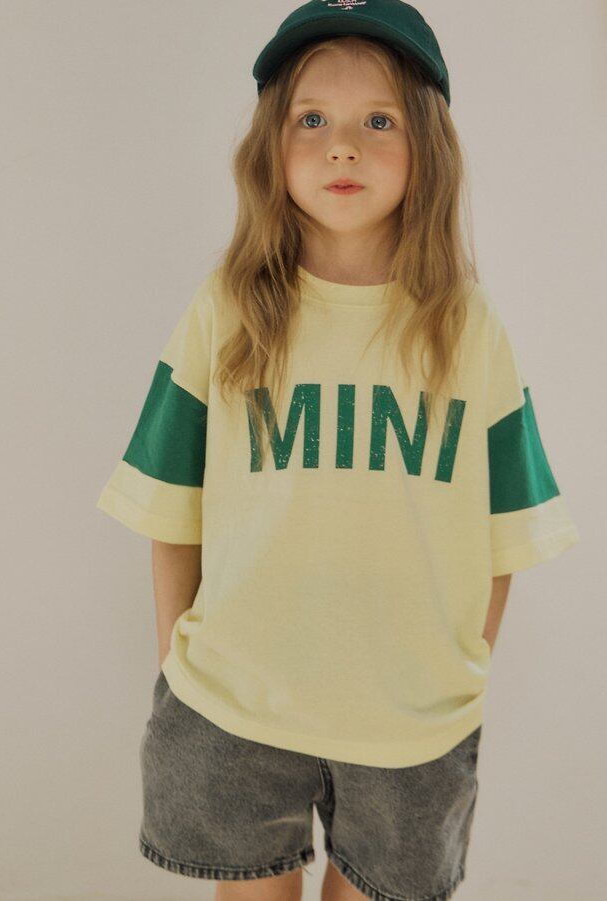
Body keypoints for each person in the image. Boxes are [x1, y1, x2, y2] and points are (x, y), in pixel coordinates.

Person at [96, 2, 581, 899]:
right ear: (270, 145)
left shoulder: (467, 327)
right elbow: (170, 506)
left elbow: (504, 531)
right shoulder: (228, 307)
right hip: (235, 706)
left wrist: (460, 672)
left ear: (428, 146)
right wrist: (178, 664)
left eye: (379, 121)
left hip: (411, 727)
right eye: (312, 119)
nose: (343, 148)